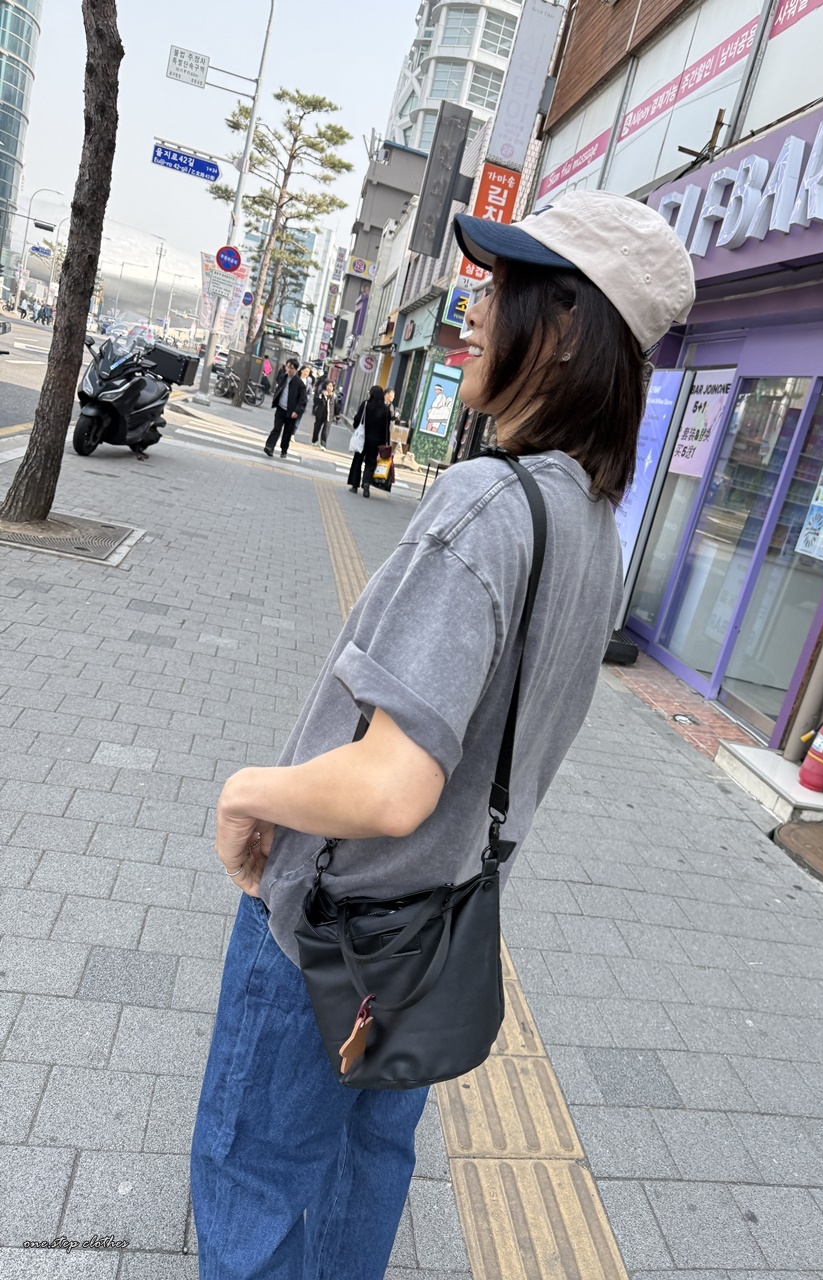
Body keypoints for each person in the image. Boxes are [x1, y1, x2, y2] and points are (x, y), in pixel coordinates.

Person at [192, 189, 695, 1280]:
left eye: (501, 286)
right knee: (363, 1170)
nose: (474, 306)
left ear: (565, 329)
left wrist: (245, 791)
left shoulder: (486, 503)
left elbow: (392, 785)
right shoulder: (592, 529)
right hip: (436, 934)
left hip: (330, 928)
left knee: (256, 1178)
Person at [346, 384, 391, 497]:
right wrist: (385, 443)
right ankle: (366, 484)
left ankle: (354, 486)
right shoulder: (386, 410)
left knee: (357, 461)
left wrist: (355, 425)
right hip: (376, 442)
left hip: (363, 438)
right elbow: (386, 428)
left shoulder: (366, 404)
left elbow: (358, 419)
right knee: (371, 463)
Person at [264, 359, 307, 459]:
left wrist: (297, 411)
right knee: (276, 429)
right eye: (287, 367)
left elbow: (303, 400)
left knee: (287, 433)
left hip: (291, 412)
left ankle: (284, 450)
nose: (289, 370)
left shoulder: (300, 384)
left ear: (296, 370)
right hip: (280, 408)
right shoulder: (283, 378)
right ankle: (269, 447)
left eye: (291, 368)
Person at [312, 380, 336, 448]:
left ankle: (323, 445)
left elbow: (337, 406)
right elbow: (316, 401)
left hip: (329, 416)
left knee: (325, 431)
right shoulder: (321, 393)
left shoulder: (334, 396)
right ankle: (314, 441)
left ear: (333, 388)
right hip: (320, 414)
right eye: (328, 385)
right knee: (316, 428)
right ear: (325, 386)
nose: (329, 387)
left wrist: (337, 415)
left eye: (331, 386)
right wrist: (321, 395)